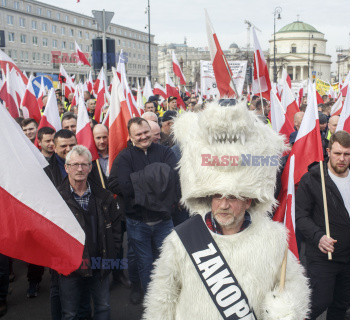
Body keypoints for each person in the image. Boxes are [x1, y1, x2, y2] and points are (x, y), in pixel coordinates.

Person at [143, 99, 310, 320]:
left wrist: (288, 309)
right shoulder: (181, 239)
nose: (223, 204)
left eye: (232, 197)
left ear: (249, 199)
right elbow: (161, 299)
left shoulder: (273, 239)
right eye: (217, 196)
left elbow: (293, 285)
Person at [296, 131, 350, 320]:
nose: (342, 159)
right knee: (318, 302)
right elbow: (300, 217)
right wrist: (318, 237)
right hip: (324, 257)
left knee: (341, 305)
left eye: (346, 154)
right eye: (337, 153)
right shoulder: (312, 179)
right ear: (328, 151)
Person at [108, 117, 179, 296]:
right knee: (144, 263)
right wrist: (156, 177)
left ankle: (169, 296)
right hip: (138, 221)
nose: (143, 137)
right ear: (131, 137)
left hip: (164, 220)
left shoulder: (166, 152)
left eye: (146, 132)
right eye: (138, 134)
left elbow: (173, 178)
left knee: (168, 261)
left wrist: (137, 180)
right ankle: (150, 298)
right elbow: (118, 184)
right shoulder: (124, 157)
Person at [57, 145, 122, 320]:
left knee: (103, 307)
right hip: (69, 265)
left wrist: (112, 253)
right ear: (66, 167)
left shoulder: (105, 196)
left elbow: (116, 230)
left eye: (84, 164)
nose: (80, 169)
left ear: (91, 167)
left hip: (99, 262)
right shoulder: (57, 198)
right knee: (70, 313)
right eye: (75, 164)